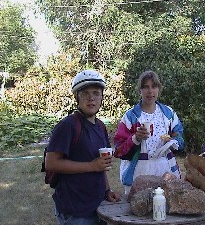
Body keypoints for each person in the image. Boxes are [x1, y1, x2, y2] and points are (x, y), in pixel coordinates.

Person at [45, 69, 121, 225]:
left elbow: (101, 165)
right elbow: (51, 163)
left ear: (101, 98)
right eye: (85, 93)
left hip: (98, 205)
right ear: (77, 97)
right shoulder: (68, 125)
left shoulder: (100, 126)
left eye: (96, 93)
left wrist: (107, 190)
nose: (91, 98)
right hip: (75, 209)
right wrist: (91, 166)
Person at [114, 70, 184, 194]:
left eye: (154, 86)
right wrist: (135, 138)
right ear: (140, 90)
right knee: (138, 209)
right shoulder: (130, 117)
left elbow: (179, 136)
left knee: (163, 207)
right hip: (139, 171)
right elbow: (119, 150)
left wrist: (172, 141)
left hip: (165, 170)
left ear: (158, 89)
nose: (150, 91)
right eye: (146, 87)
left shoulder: (168, 114)